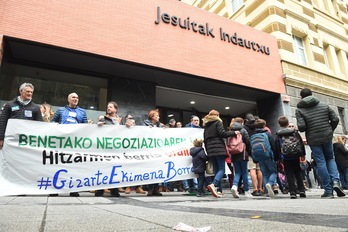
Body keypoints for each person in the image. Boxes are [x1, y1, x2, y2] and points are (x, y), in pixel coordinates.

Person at [296, 88, 345, 198]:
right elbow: (335, 119)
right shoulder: (324, 105)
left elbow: (302, 127)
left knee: (320, 161)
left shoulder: (300, 109)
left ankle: (328, 190)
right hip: (327, 136)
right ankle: (336, 182)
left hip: (313, 138)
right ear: (311, 94)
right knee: (330, 158)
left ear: (301, 97)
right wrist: (330, 129)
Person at [51, 92, 88, 197]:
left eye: (77, 97)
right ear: (68, 99)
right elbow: (53, 123)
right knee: (58, 164)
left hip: (75, 143)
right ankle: (54, 189)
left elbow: (85, 127)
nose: (75, 99)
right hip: (61, 142)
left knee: (74, 166)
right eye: (73, 97)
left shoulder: (82, 112)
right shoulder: (60, 110)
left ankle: (73, 189)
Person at [203, 110, 240, 198]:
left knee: (216, 170)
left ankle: (218, 190)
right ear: (217, 115)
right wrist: (233, 133)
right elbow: (222, 133)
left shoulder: (206, 126)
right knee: (221, 169)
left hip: (210, 150)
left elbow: (205, 140)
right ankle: (214, 184)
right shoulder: (218, 122)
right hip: (218, 148)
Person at [0, 83, 43, 150]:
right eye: (28, 91)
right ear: (21, 91)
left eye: (31, 92)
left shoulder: (35, 108)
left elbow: (39, 125)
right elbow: (2, 121)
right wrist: (1, 138)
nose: (30, 94)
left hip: (26, 141)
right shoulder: (9, 105)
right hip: (10, 138)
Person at [275, 116, 306, 199]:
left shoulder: (278, 134)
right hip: (295, 155)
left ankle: (292, 192)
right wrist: (303, 154)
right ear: (288, 123)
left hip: (285, 156)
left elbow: (277, 146)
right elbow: (300, 143)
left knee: (289, 173)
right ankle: (302, 190)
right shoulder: (294, 132)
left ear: (279, 124)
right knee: (298, 172)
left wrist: (278, 158)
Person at [251, 119, 277, 198]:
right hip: (268, 156)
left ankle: (267, 190)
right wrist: (276, 156)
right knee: (273, 172)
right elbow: (273, 145)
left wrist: (254, 159)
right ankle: (270, 183)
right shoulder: (267, 134)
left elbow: (251, 148)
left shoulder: (253, 136)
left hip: (259, 157)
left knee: (265, 174)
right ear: (264, 126)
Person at [229, 117, 252, 198]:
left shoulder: (231, 130)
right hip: (242, 153)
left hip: (234, 154)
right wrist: (248, 151)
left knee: (237, 172)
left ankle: (234, 186)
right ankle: (247, 191)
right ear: (241, 123)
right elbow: (248, 141)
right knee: (244, 172)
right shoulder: (243, 130)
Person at [144, 109, 163, 196]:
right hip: (150, 150)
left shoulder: (159, 126)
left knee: (158, 169)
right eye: (157, 116)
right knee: (151, 169)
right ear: (152, 117)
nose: (158, 117)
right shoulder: (145, 124)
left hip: (158, 151)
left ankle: (156, 189)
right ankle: (150, 188)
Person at [244, 113, 263, 196]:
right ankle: (260, 188)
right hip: (259, 149)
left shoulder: (245, 128)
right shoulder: (257, 126)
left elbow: (245, 140)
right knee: (259, 169)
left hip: (250, 150)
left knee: (252, 169)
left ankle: (255, 189)